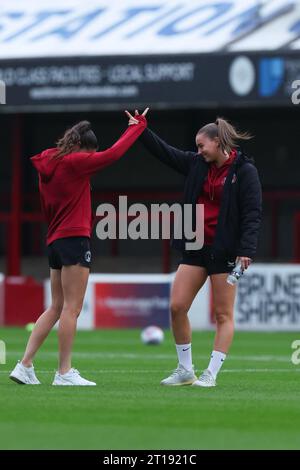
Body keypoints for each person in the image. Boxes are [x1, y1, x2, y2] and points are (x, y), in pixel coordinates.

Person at [10, 109, 148, 386]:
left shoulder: (48, 161)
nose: (90, 160)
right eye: (89, 154)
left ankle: (24, 365)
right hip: (74, 238)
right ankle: (64, 372)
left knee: (55, 307)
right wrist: (137, 127)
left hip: (55, 241)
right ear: (81, 149)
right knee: (71, 309)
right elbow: (113, 155)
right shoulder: (75, 163)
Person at [126, 110, 262, 387]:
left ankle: (210, 374)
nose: (198, 151)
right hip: (196, 246)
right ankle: (185, 370)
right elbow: (165, 153)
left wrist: (246, 250)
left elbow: (252, 214)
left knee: (223, 315)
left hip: (226, 251)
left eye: (202, 145)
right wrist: (141, 129)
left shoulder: (245, 171)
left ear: (217, 142)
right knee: (177, 306)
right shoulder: (197, 164)